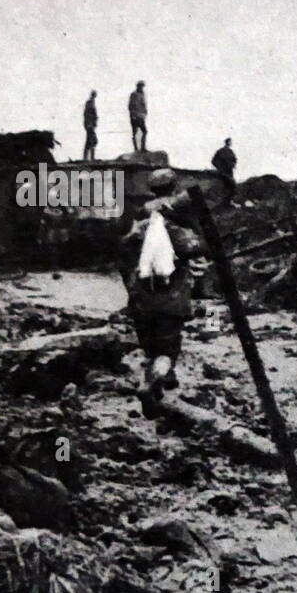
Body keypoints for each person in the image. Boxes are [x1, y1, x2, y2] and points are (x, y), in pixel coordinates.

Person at [119, 168, 206, 413]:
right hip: (170, 296)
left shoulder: (140, 219)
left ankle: (163, 381)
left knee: (151, 347)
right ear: (173, 185)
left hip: (141, 296)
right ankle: (151, 382)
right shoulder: (176, 217)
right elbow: (196, 249)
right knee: (168, 349)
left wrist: (132, 288)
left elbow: (123, 255)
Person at [129, 80, 148, 152]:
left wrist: (145, 112)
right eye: (140, 86)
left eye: (142, 86)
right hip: (135, 116)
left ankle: (143, 147)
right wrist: (133, 115)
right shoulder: (134, 94)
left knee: (144, 131)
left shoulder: (142, 94)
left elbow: (143, 105)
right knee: (135, 132)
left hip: (141, 116)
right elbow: (131, 106)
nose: (142, 87)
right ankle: (136, 149)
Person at [82, 90, 98, 161]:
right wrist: (89, 124)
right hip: (89, 124)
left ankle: (88, 157)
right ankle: (89, 158)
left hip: (91, 124)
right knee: (92, 140)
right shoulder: (90, 103)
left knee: (91, 141)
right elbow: (87, 114)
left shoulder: (91, 102)